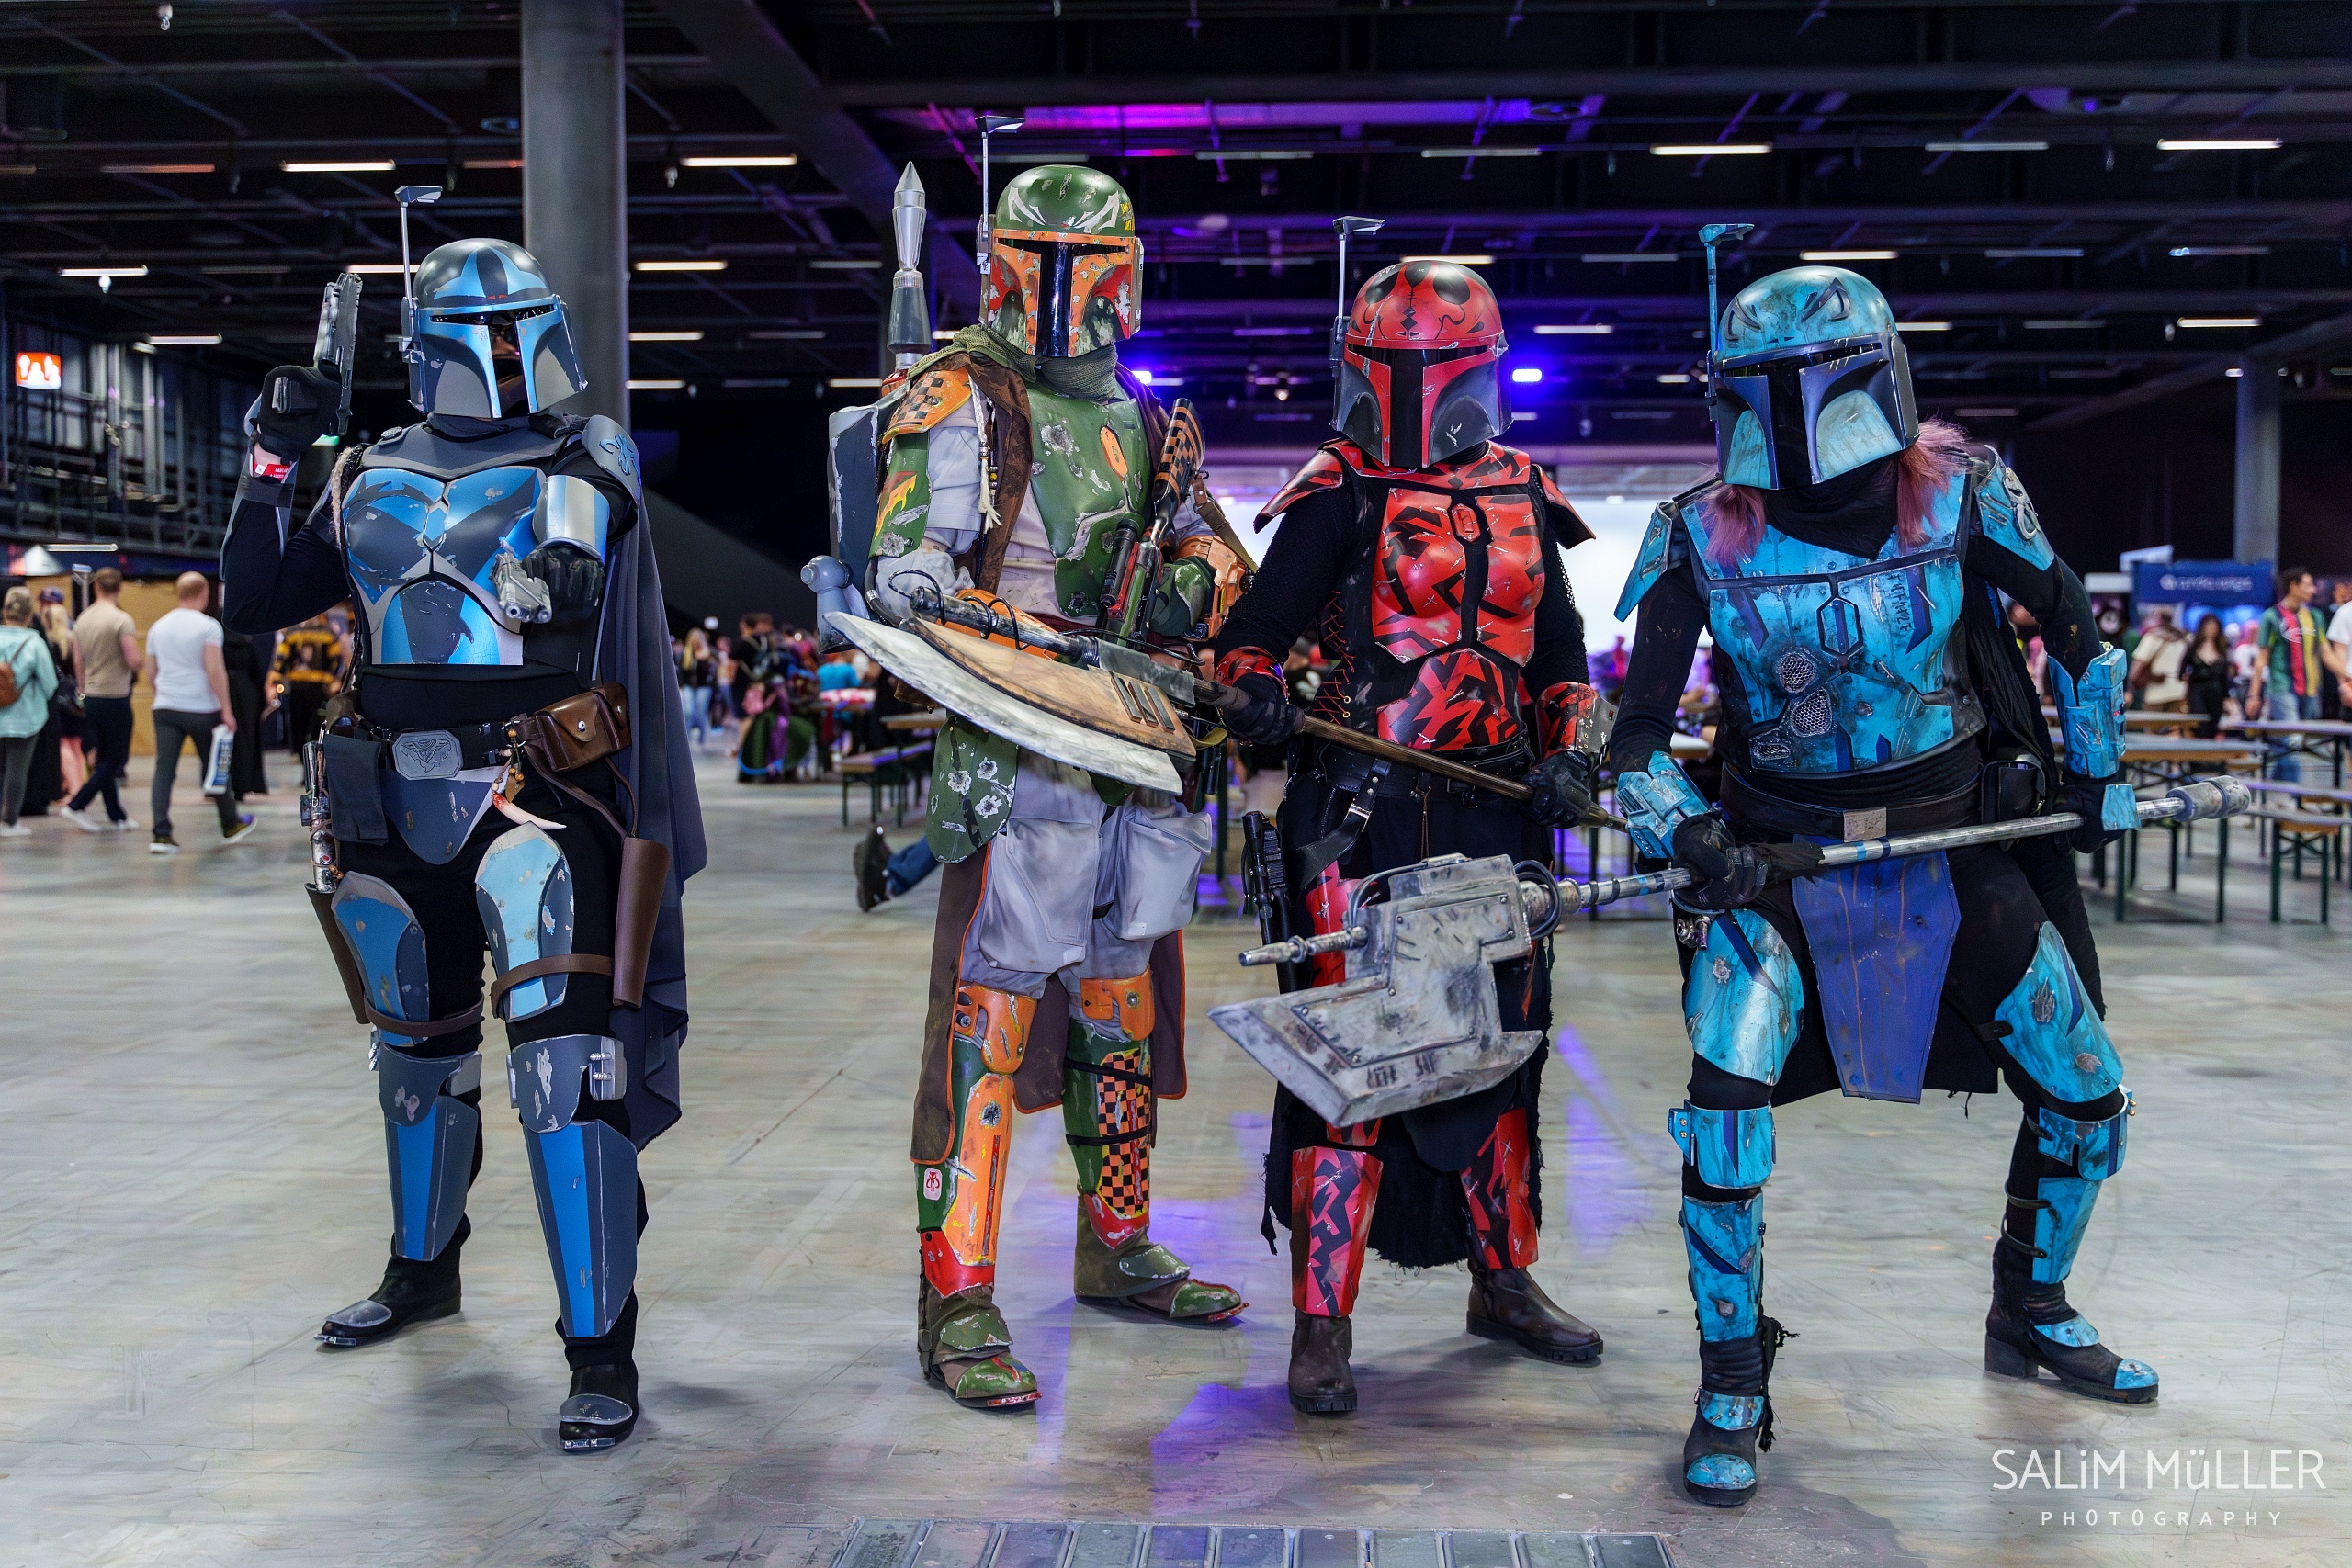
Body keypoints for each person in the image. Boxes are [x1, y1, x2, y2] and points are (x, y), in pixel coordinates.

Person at [1610, 261, 2151, 1508]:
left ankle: (2032, 1305)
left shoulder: (1964, 495)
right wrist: (1689, 832)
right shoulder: (1698, 531)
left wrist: (2098, 775)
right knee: (1723, 1116)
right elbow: (1632, 743)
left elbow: (2075, 628)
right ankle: (1731, 1379)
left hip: (1948, 854)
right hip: (1779, 872)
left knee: (2085, 1095)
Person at [219, 234, 705, 1452]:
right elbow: (256, 598)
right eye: (478, 331)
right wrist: (274, 456)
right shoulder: (364, 468)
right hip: (388, 796)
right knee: (412, 1056)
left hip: (534, 795)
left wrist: (562, 567)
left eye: (518, 324)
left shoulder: (581, 454)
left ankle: (600, 1348)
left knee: (566, 1070)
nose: (502, 353)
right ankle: (420, 1269)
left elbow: (581, 562)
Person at [864, 164, 1250, 1410]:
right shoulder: (962, 394)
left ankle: (1116, 1241)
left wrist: (1186, 585)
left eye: (1090, 265)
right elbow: (907, 565)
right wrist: (959, 605)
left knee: (1121, 999)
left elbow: (1215, 552)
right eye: (1046, 262)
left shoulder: (1145, 421)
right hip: (1018, 737)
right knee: (992, 1008)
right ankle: (957, 1292)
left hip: (1136, 736)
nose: (1068, 291)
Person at [1210, 259, 1609, 1415]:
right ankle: (1321, 1322)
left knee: (1504, 1045)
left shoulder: (1526, 489)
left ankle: (1503, 1281)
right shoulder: (1336, 489)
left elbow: (1561, 656)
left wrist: (1572, 749)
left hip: (1497, 806)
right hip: (1362, 811)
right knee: (1353, 1059)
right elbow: (1252, 634)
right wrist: (1254, 691)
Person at [141, 571, 256, 854]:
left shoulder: (158, 627)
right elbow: (215, 670)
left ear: (178, 593)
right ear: (204, 595)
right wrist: (227, 710)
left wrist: (163, 695)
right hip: (202, 708)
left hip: (166, 707)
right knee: (216, 767)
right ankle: (230, 823)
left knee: (164, 771)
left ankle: (160, 834)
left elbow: (151, 672)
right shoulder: (209, 627)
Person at [62, 567, 142, 833]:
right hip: (115, 696)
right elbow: (132, 659)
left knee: (104, 757)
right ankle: (77, 805)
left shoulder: (82, 620)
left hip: (92, 696)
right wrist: (140, 664)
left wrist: (82, 688)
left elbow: (78, 661)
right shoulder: (122, 620)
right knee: (116, 759)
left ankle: (117, 816)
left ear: (95, 587)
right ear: (120, 588)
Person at [2254, 568, 2346, 784]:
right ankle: (2293, 797)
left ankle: (2273, 791)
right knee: (2293, 740)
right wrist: (2253, 694)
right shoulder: (2271, 617)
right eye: (2308, 585)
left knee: (2288, 744)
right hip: (2282, 687)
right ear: (2293, 586)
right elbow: (2262, 658)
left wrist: (2347, 676)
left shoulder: (2314, 616)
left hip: (2310, 689)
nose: (2313, 590)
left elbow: (2326, 653)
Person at [0, 586, 62, 837]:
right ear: (30, 615)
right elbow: (50, 684)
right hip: (25, 718)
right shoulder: (34, 643)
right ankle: (9, 822)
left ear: (5, 612)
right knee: (17, 770)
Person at [272, 614, 349, 756]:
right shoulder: (295, 633)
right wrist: (276, 679)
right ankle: (303, 756)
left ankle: (312, 756)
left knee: (314, 724)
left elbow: (336, 660)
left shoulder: (326, 632)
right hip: (298, 686)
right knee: (298, 724)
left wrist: (333, 680)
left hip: (318, 687)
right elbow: (282, 658)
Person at [2128, 607, 2190, 721]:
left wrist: (2130, 686)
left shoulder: (2152, 638)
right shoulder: (2185, 639)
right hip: (2179, 691)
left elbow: (2137, 666)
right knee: (2175, 729)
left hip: (2155, 694)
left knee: (2153, 729)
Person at [2185, 614, 2232, 738]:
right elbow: (2182, 670)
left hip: (2216, 692)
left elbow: (2224, 677)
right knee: (2199, 721)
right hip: (2197, 690)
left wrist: (2227, 698)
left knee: (2213, 724)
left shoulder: (2222, 648)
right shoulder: (2193, 647)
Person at [678, 626, 716, 749]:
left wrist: (702, 660)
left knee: (700, 711)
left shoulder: (707, 653)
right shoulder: (685, 653)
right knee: (688, 711)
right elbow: (682, 671)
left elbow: (710, 672)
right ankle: (686, 740)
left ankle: (702, 738)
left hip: (704, 686)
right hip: (689, 685)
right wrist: (681, 685)